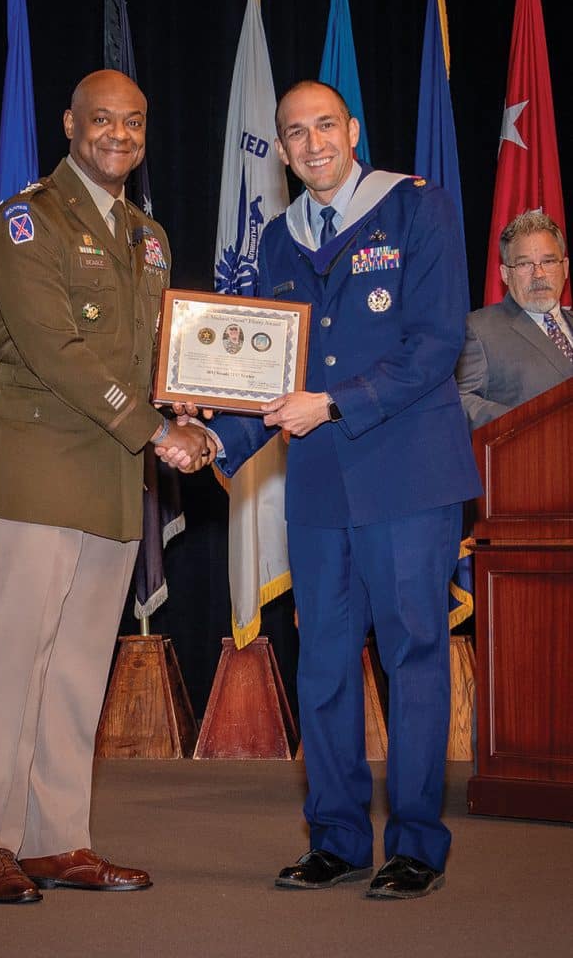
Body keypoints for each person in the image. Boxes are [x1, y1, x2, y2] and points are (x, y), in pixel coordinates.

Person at [160, 80, 481, 899]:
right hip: (320, 486)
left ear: (353, 130)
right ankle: (334, 837)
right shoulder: (278, 239)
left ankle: (415, 843)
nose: (310, 144)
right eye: (293, 133)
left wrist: (335, 401)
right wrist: (209, 439)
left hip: (407, 474)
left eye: (323, 127)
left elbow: (436, 342)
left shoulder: (418, 208)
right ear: (283, 148)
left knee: (412, 658)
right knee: (325, 663)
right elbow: (268, 375)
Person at [0, 69, 215, 905]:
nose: (118, 135)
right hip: (39, 476)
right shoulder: (24, 223)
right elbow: (54, 351)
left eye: (133, 124)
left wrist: (191, 397)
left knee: (74, 671)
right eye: (102, 120)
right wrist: (156, 429)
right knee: (10, 663)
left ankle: (55, 839)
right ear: (70, 124)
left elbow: (151, 355)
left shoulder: (147, 235)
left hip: (112, 480)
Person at [455, 210, 571, 430]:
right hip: (530, 458)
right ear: (505, 274)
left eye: (548, 261)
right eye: (525, 264)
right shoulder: (479, 330)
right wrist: (525, 419)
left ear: (564, 268)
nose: (539, 274)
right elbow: (461, 401)